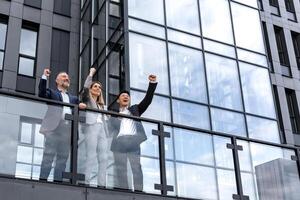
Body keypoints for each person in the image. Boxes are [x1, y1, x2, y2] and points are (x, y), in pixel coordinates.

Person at [110, 74, 157, 191]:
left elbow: (148, 100)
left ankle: (139, 191)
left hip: (133, 142)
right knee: (120, 169)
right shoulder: (113, 113)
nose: (126, 97)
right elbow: (110, 127)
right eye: (123, 96)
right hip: (119, 143)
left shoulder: (135, 109)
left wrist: (152, 84)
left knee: (136, 167)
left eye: (127, 96)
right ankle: (123, 191)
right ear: (118, 100)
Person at [39, 68, 86, 181]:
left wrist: (82, 105)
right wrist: (44, 77)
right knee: (48, 156)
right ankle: (42, 181)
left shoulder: (74, 98)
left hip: (68, 131)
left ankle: (57, 182)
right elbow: (41, 94)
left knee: (62, 159)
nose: (67, 78)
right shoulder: (52, 93)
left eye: (68, 77)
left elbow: (82, 104)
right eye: (64, 76)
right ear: (57, 80)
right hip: (54, 129)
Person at [81, 67, 108, 186]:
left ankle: (101, 184)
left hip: (102, 131)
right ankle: (86, 182)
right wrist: (91, 73)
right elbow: (85, 88)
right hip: (91, 127)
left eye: (99, 87)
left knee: (104, 158)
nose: (98, 88)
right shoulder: (88, 100)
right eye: (95, 86)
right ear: (91, 89)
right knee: (91, 155)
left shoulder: (102, 106)